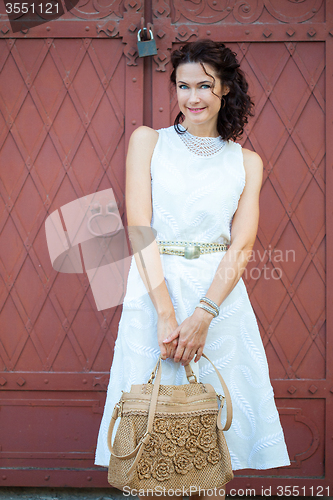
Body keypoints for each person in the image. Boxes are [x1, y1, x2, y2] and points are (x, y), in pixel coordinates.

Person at [94, 39, 290, 499]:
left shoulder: (246, 162)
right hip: (153, 292)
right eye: (184, 86)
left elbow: (241, 245)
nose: (193, 97)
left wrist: (203, 315)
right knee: (151, 447)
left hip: (219, 303)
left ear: (226, 89)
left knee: (212, 456)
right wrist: (165, 312)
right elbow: (140, 227)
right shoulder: (149, 141)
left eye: (205, 85)